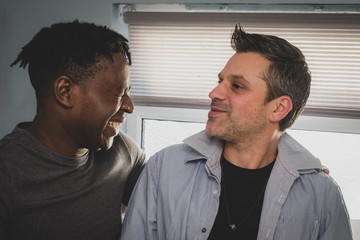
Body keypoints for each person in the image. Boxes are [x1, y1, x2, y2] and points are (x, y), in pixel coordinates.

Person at [121, 25, 353, 240]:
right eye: (220, 81)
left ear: (278, 108)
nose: (214, 92)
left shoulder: (322, 195)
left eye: (237, 86)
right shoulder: (164, 168)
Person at [0, 20, 146, 240]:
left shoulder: (124, 152)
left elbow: (168, 205)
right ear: (66, 92)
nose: (129, 106)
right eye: (119, 93)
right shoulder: (7, 171)